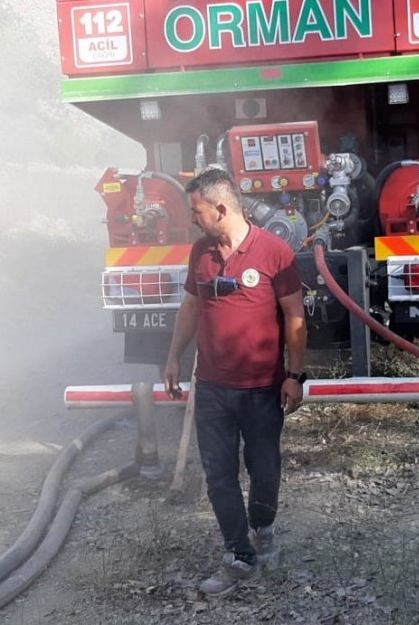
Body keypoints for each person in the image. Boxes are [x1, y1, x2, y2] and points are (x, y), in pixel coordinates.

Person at [164, 167, 307, 598]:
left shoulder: (274, 251)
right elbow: (190, 308)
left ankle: (263, 529)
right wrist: (172, 357)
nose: (193, 218)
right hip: (211, 388)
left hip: (262, 388)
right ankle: (237, 554)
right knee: (219, 475)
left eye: (197, 210)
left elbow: (295, 316)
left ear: (221, 208)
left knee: (264, 470)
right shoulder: (200, 252)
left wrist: (295, 375)